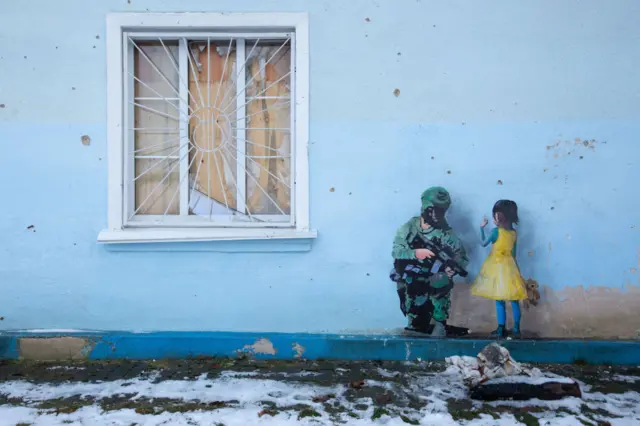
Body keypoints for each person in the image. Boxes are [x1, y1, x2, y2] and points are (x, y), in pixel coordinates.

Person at [391, 187, 469, 337]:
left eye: (442, 210)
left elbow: (461, 257)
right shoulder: (409, 228)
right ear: (425, 207)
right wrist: (416, 253)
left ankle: (440, 323)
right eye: (434, 209)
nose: (438, 215)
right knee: (409, 287)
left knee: (441, 279)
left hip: (432, 276)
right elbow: (396, 251)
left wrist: (451, 269)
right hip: (410, 274)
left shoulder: (446, 234)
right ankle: (415, 323)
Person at [471, 200, 527, 338]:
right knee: (514, 299)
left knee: (499, 299)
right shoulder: (514, 233)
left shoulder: (495, 232)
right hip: (510, 266)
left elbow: (483, 243)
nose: (494, 218)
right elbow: (514, 254)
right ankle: (516, 329)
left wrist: (481, 228)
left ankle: (501, 328)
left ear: (500, 217)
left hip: (496, 267)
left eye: (495, 215)